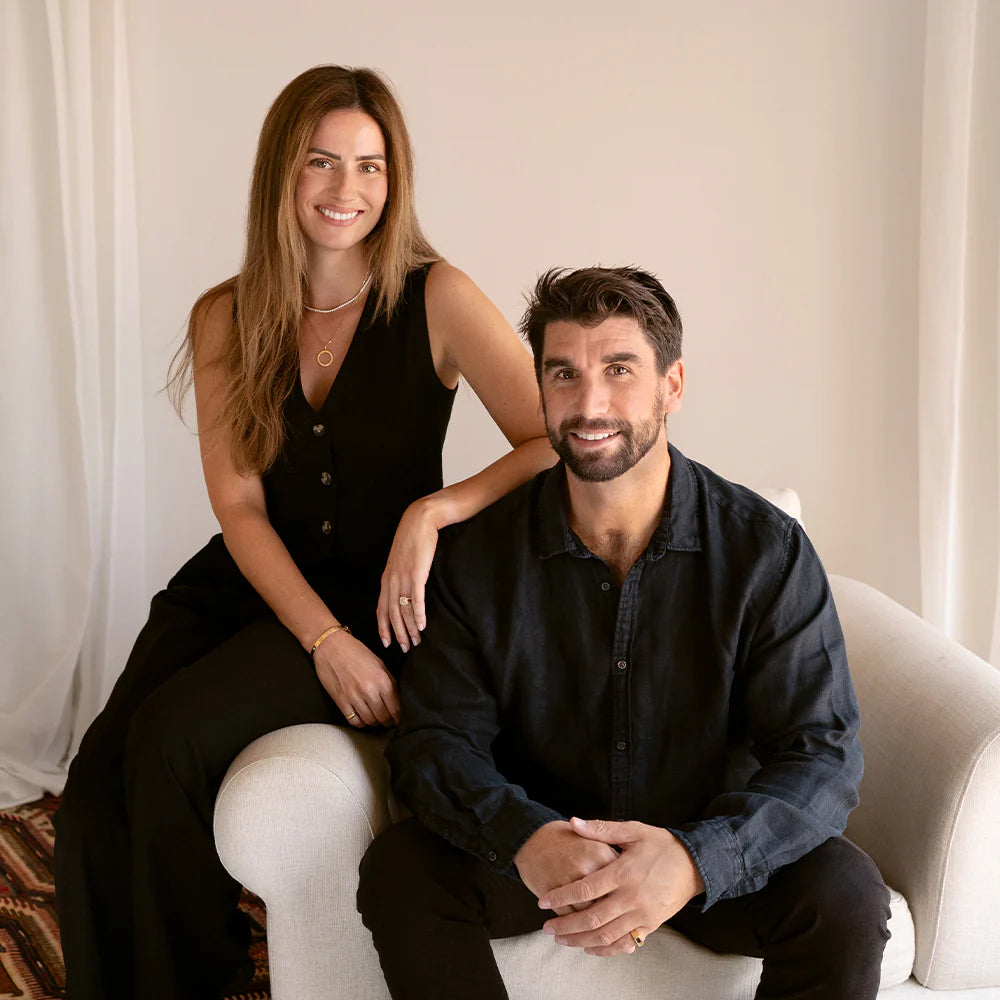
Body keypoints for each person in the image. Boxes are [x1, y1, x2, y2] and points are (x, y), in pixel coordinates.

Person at [53, 65, 554, 1000]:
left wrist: (434, 510)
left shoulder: (438, 296)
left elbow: (549, 439)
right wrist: (321, 642)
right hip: (249, 582)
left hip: (377, 597)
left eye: (370, 166)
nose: (345, 188)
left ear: (394, 181)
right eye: (321, 161)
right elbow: (239, 507)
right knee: (91, 786)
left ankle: (196, 980)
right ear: (282, 171)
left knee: (169, 741)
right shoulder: (225, 315)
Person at [357, 266, 891, 1000]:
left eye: (619, 370)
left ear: (672, 385)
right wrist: (527, 837)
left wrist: (695, 860)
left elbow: (821, 753)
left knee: (846, 895)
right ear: (541, 389)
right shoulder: (476, 558)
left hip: (705, 857)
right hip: (544, 858)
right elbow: (435, 742)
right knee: (402, 871)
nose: (589, 404)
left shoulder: (765, 551)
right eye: (564, 374)